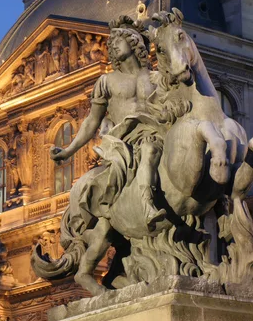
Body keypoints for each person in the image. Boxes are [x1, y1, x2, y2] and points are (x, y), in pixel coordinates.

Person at [50, 16, 166, 230]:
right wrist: (68, 151)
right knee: (148, 150)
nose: (111, 45)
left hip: (157, 132)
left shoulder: (156, 77)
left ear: (133, 42)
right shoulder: (106, 81)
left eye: (117, 41)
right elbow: (92, 121)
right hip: (125, 140)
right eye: (110, 43)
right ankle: (147, 205)